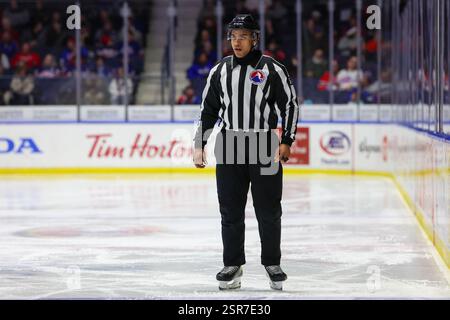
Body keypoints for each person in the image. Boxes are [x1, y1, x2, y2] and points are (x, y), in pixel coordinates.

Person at [193, 14, 299, 291]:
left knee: (268, 209)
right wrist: (199, 144)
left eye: (243, 36)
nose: (237, 42)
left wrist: (287, 139)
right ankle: (232, 265)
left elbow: (289, 105)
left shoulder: (272, 69)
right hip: (228, 145)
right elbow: (207, 111)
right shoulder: (219, 71)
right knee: (230, 210)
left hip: (264, 144)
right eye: (233, 36)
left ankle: (272, 264)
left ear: (255, 39)